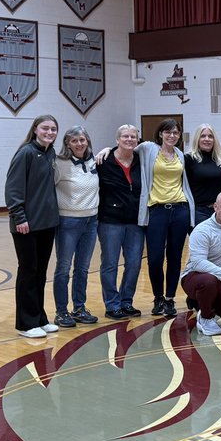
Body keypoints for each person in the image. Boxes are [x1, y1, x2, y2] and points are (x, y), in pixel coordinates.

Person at [5, 114, 61, 340]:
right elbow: (13, 189)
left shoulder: (50, 154)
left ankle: (39, 317)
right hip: (26, 225)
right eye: (45, 128)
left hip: (47, 224)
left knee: (39, 273)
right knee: (28, 272)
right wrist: (19, 218)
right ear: (35, 129)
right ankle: (25, 323)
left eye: (53, 129)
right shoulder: (26, 153)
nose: (49, 132)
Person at [137, 118, 195, 318]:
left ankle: (170, 299)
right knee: (154, 258)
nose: (172, 136)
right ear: (160, 133)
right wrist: (105, 152)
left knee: (175, 257)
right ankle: (158, 297)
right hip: (157, 210)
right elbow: (125, 148)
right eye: (168, 132)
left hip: (180, 209)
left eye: (176, 133)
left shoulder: (180, 154)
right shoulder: (148, 149)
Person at [180, 190, 221, 335]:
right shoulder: (202, 231)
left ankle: (202, 302)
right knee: (208, 280)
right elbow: (198, 262)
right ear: (215, 207)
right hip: (196, 277)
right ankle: (205, 317)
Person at [51, 125, 99, 328]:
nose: (79, 144)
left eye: (82, 140)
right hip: (68, 222)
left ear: (87, 141)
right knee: (63, 268)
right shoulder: (59, 164)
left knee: (83, 268)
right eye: (74, 141)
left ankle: (79, 308)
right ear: (67, 144)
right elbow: (48, 190)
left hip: (91, 221)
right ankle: (61, 312)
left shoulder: (94, 160)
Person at [96, 124, 143, 319]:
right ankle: (112, 304)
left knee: (134, 263)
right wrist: (105, 149)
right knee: (110, 264)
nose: (130, 139)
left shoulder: (141, 160)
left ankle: (126, 302)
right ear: (117, 140)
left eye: (133, 137)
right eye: (125, 136)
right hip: (110, 220)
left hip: (136, 222)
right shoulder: (104, 160)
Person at [185, 124, 221, 225]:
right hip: (198, 211)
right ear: (197, 139)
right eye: (203, 136)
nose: (207, 139)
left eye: (210, 136)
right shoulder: (189, 159)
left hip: (219, 210)